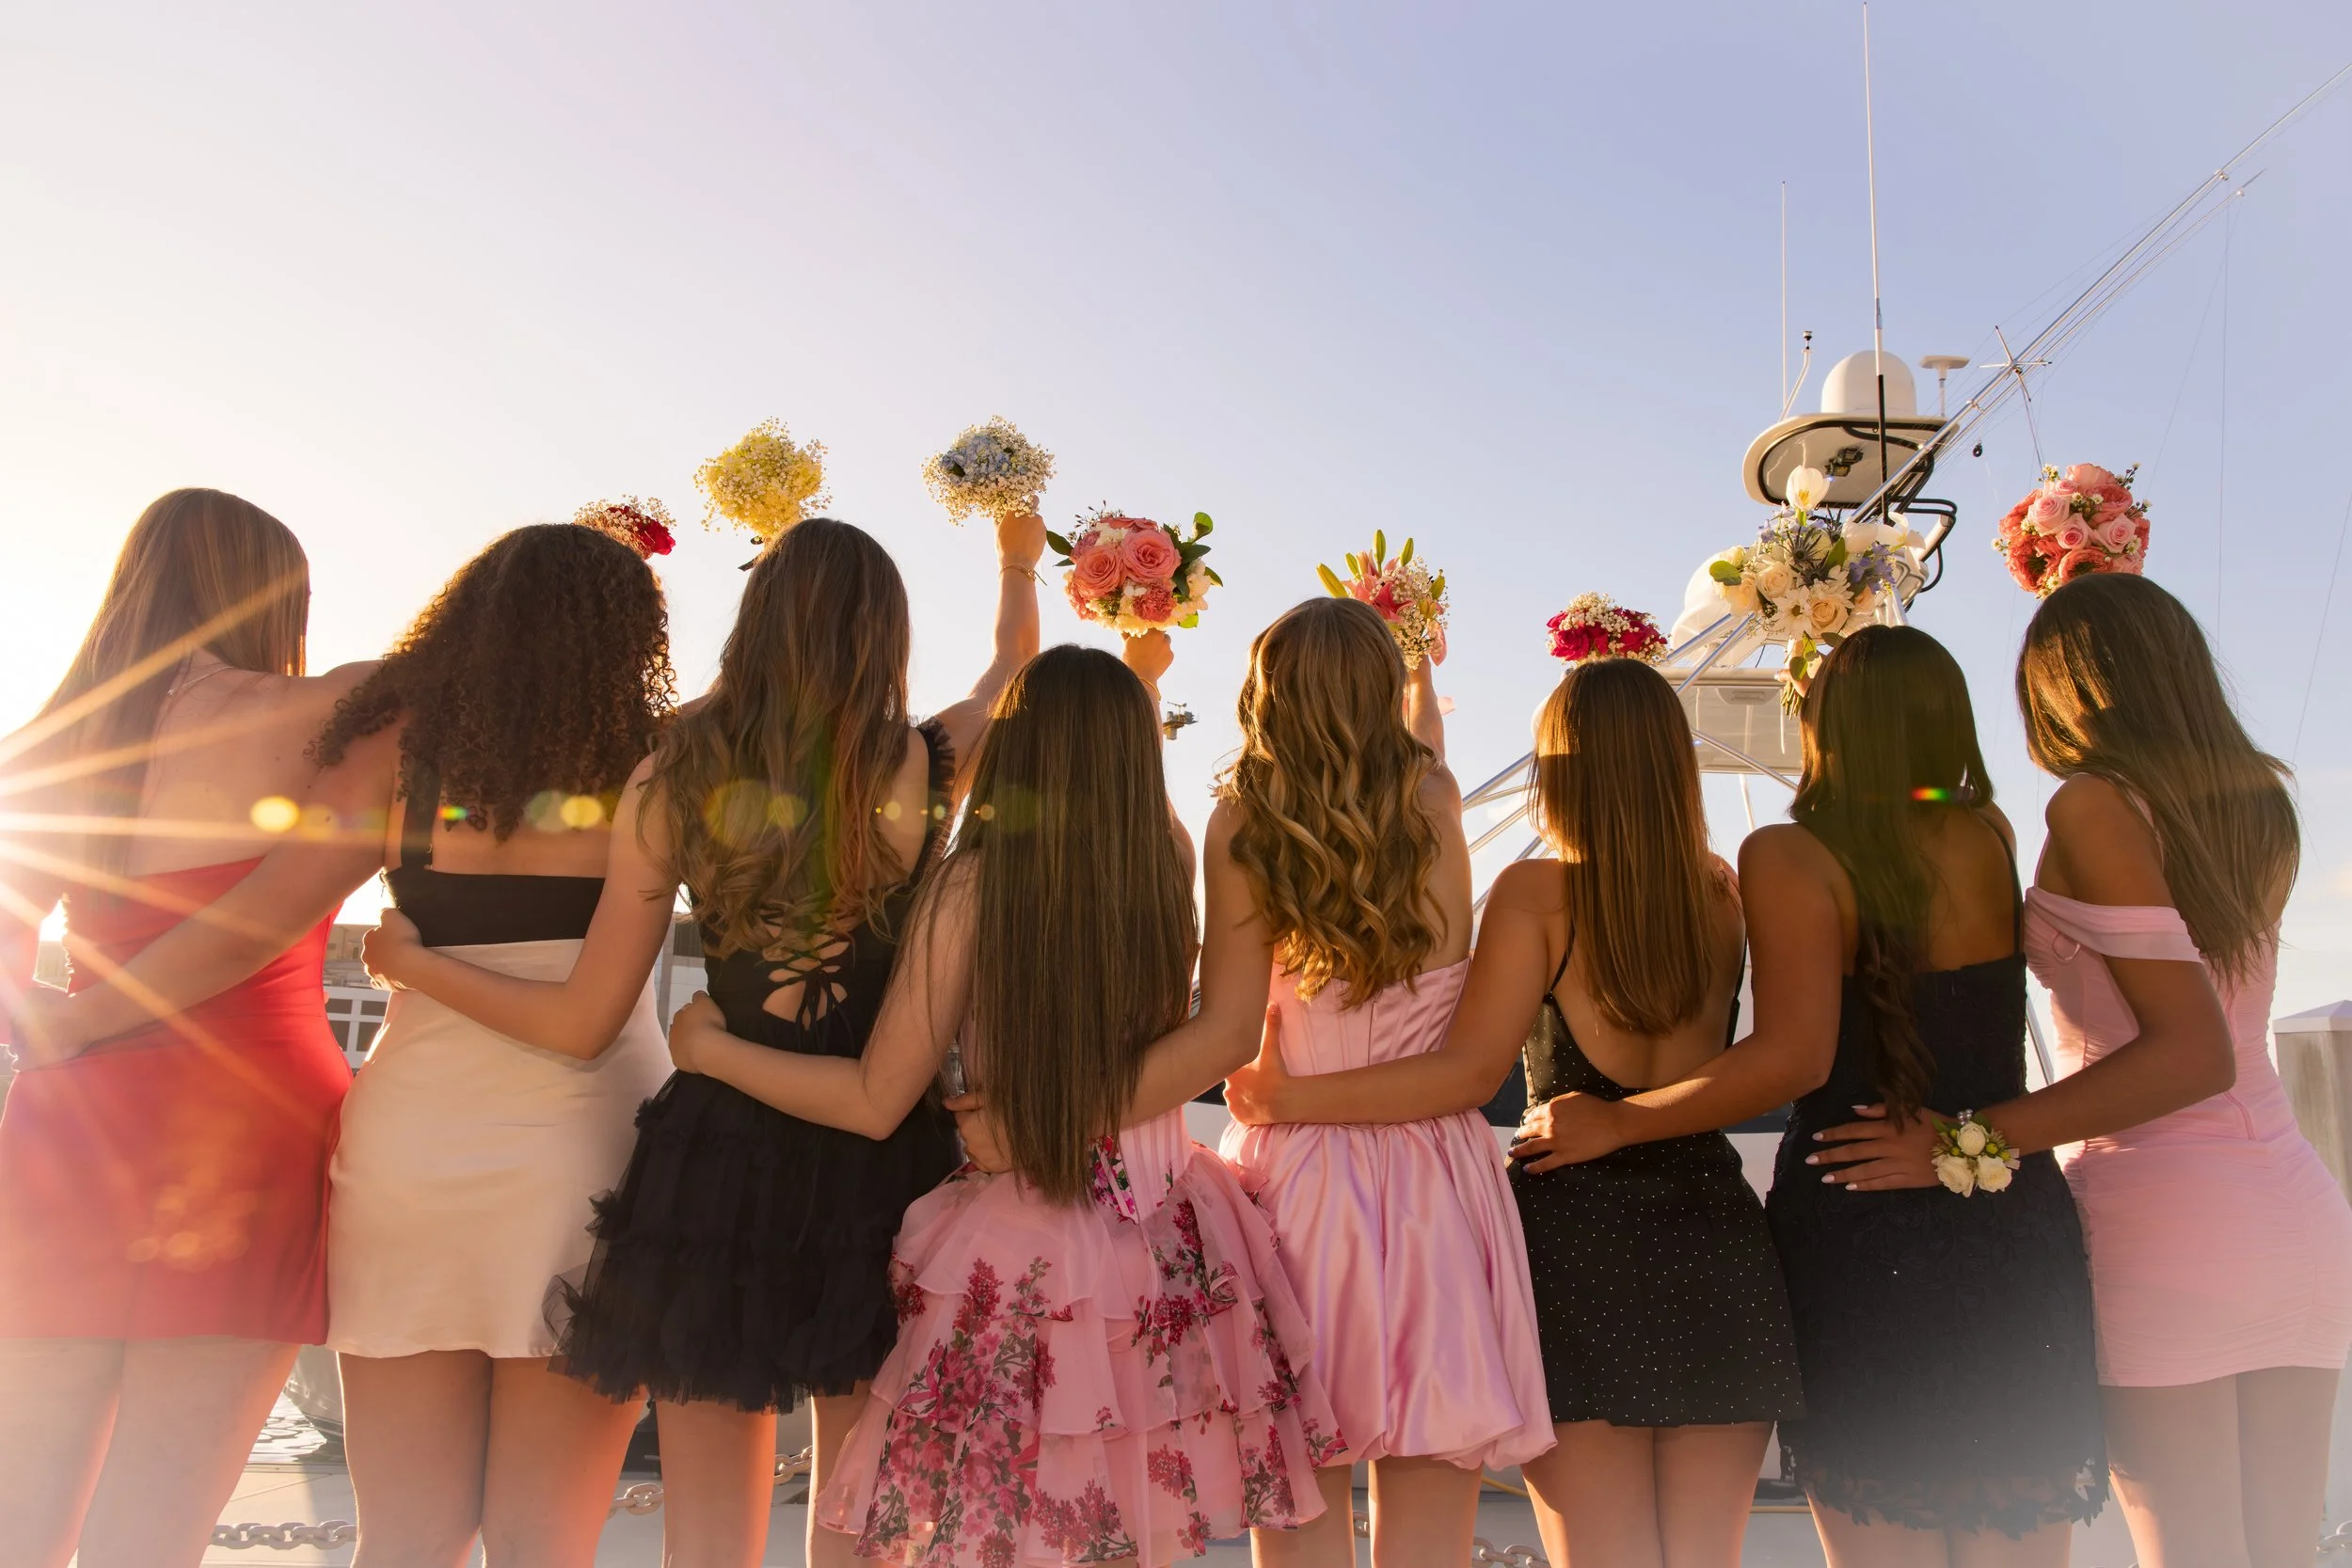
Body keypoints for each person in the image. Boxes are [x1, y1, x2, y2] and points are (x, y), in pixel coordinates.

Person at [362, 514, 1042, 1568]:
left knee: (711, 1529)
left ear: (755, 619)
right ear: (887, 632)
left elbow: (607, 986)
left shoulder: (675, 766)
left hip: (718, 1154)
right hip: (883, 1145)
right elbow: (1013, 667)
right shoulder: (929, 758)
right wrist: (1016, 560)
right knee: (860, 1509)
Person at [23, 519, 679, 1568]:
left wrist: (62, 1020)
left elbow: (261, 911)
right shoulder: (663, 770)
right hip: (591, 1149)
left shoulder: (399, 755)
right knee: (544, 1544)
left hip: (408, 1148)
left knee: (404, 1540)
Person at [663, 641, 1344, 1567]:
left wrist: (712, 1048)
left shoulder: (969, 885)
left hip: (1018, 1243)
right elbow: (1226, 1034)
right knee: (1111, 1525)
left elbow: (873, 1098)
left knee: (906, 1525)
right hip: (1166, 1228)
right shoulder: (1169, 856)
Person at [1523, 625, 2110, 1565]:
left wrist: (1616, 1119)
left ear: (1823, 722)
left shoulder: (1788, 856)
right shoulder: (1992, 836)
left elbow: (1794, 1057)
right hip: (2005, 1214)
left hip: (1857, 1214)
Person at [1231, 652, 1804, 1568]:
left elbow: (1462, 1069)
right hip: (1715, 1240)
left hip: (1573, 1243)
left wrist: (1289, 1097)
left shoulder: (1541, 892)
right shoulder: (1721, 892)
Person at [1832, 574, 2351, 1568]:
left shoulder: (2092, 806)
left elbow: (2188, 1050)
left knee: (2190, 1551)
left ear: (2061, 687)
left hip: (2165, 1213)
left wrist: (1961, 1140)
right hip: (2293, 1210)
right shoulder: (2258, 803)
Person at [0, 489, 365, 1568]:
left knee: (20, 1516)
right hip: (253, 1123)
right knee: (160, 1522)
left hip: (74, 1119)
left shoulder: (50, 745)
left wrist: (53, 1031)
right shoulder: (325, 715)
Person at [1167, 596, 1549, 1568]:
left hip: (1296, 1177)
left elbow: (1226, 1024)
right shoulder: (1433, 796)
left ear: (1269, 692)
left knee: (1296, 1506)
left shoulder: (1242, 822)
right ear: (1382, 687)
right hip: (1430, 1169)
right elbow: (1418, 749)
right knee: (1428, 1505)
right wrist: (1422, 670)